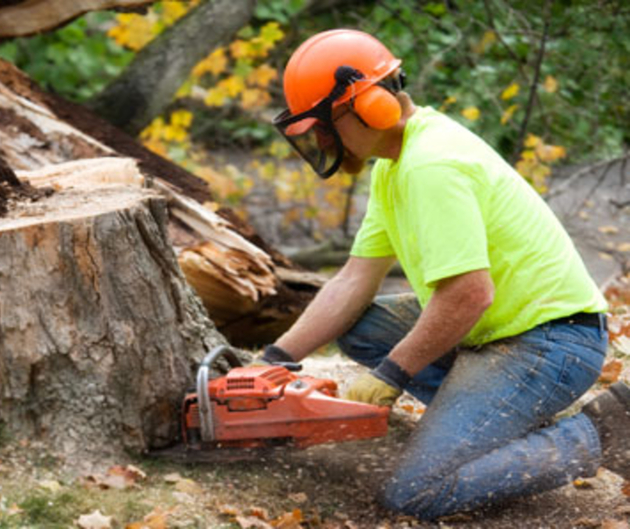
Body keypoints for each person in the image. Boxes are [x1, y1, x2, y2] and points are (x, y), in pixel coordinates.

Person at [262, 28, 630, 520]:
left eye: (325, 126)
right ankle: (496, 422)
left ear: (371, 106)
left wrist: (392, 373)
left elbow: (469, 295)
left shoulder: (429, 165)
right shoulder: (393, 165)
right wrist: (274, 360)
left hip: (549, 343)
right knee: (360, 324)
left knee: (414, 494)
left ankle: (602, 432)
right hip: (499, 330)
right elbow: (353, 279)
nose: (322, 141)